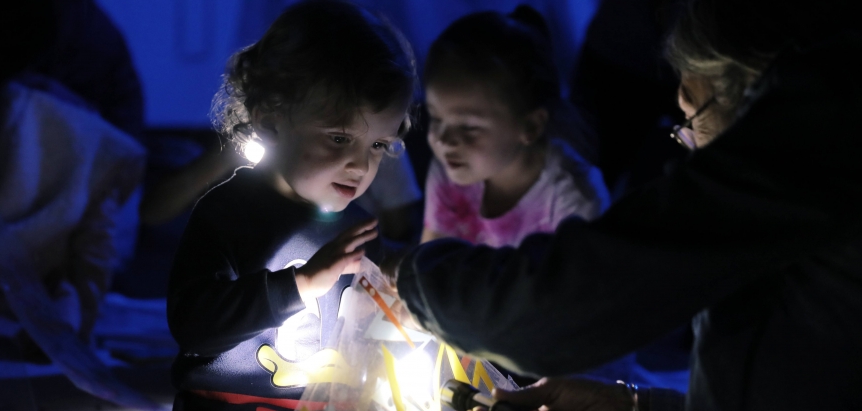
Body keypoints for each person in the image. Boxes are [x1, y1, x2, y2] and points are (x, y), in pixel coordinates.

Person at [393, 0, 862, 410]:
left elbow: (566, 303)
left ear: (751, 95)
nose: (691, 147)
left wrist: (413, 275)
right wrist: (637, 404)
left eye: (690, 116)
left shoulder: (816, 142)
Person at [166, 1, 416, 409]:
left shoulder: (360, 230)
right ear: (270, 122)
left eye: (378, 145)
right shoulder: (227, 214)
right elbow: (194, 328)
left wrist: (399, 314)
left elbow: (368, 341)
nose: (361, 165)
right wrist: (301, 286)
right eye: (339, 138)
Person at [421, 7, 608, 249]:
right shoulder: (450, 167)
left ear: (530, 125)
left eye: (468, 127)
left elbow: (577, 283)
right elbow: (429, 259)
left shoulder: (574, 199)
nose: (444, 140)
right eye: (436, 119)